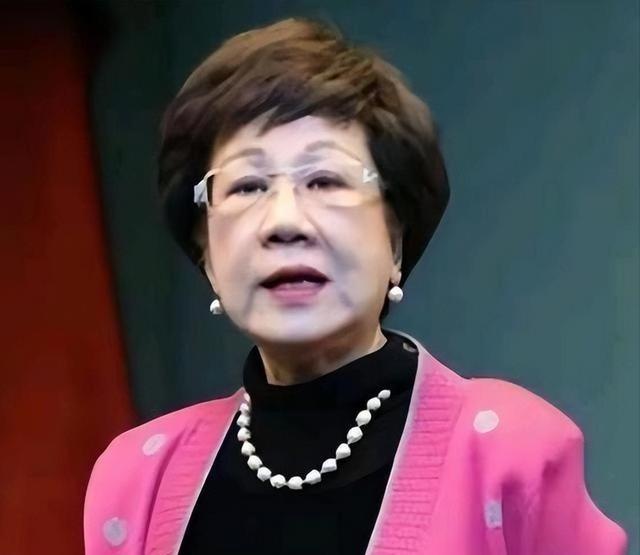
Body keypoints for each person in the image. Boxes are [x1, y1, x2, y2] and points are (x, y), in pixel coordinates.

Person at [83, 16, 628, 555]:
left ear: (396, 240)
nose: (284, 222)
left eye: (325, 180)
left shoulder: (511, 452)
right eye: (247, 186)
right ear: (206, 253)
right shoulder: (138, 478)